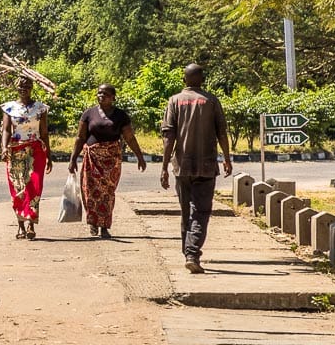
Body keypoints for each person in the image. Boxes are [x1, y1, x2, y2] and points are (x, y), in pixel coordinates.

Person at [160, 63, 232, 274]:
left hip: (182, 166)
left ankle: (188, 253)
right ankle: (191, 254)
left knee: (186, 212)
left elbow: (168, 137)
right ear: (202, 79)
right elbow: (222, 133)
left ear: (184, 80)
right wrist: (226, 158)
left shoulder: (174, 101)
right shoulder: (211, 101)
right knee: (200, 211)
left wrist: (164, 167)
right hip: (207, 166)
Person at [68, 84, 147, 239]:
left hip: (111, 160)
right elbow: (80, 137)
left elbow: (129, 137)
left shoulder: (120, 116)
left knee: (107, 193)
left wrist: (139, 156)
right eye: (99, 93)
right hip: (92, 158)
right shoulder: (88, 114)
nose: (101, 96)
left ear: (113, 97)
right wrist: (73, 159)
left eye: (105, 94)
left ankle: (104, 226)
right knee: (90, 192)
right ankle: (93, 223)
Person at [0, 76, 52, 240]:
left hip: (36, 150)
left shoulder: (40, 109)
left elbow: (44, 133)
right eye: (21, 86)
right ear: (16, 88)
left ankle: (31, 223)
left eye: (27, 86)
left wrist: (49, 155)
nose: (24, 89)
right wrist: (3, 148)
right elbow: (6, 130)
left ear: (32, 88)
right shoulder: (9, 108)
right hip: (15, 151)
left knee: (34, 186)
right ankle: (20, 225)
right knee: (18, 188)